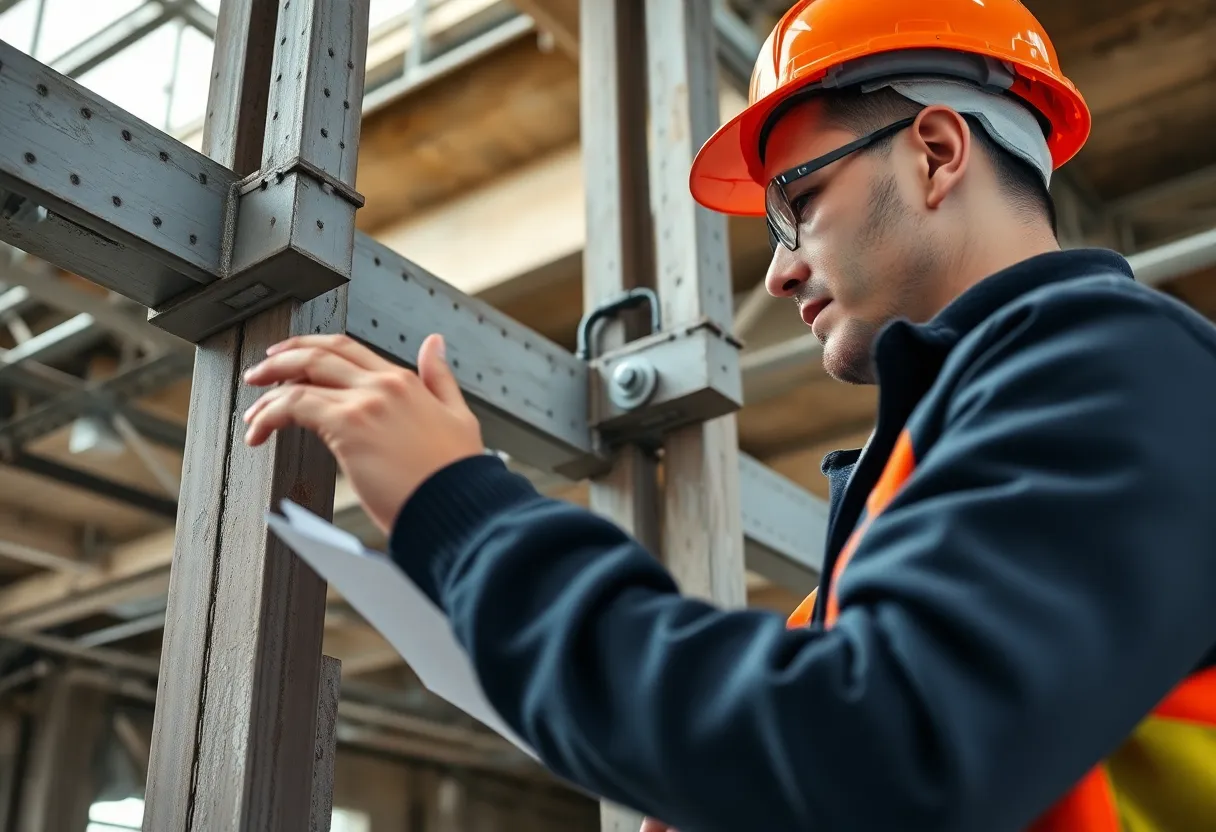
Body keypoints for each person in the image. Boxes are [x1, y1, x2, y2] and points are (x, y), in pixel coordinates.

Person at [241, 1, 1216, 830]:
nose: (779, 267)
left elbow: (886, 751)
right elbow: (831, 737)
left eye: (797, 202)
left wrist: (460, 512)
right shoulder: (926, 480)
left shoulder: (1118, 367)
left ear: (933, 151)